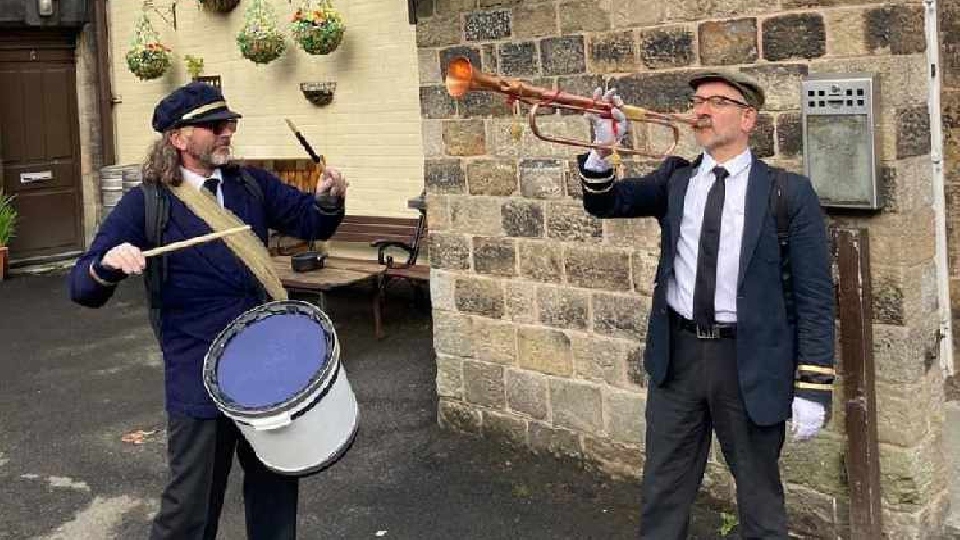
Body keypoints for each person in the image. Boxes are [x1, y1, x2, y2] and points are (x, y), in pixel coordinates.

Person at [68, 82, 348, 540]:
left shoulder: (250, 185)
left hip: (266, 372)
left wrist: (327, 198)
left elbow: (310, 220)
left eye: (230, 123)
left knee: (275, 494)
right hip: (199, 378)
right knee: (189, 511)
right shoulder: (148, 203)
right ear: (178, 138)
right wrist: (109, 264)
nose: (227, 132)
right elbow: (82, 285)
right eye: (214, 125)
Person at [577, 74, 835, 539]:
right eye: (697, 100)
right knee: (663, 490)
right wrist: (602, 151)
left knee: (759, 500)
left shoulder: (787, 193)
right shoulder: (675, 179)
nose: (701, 110)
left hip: (750, 361)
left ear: (748, 117)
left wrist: (813, 386)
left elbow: (815, 297)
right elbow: (606, 203)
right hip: (679, 357)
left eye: (717, 102)